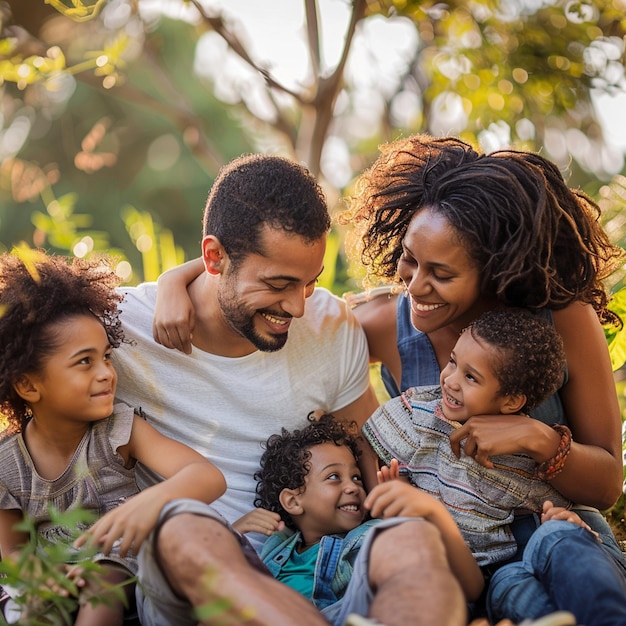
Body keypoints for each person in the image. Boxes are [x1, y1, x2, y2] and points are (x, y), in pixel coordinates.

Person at [111, 153, 472, 626]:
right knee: (182, 527)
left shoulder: (329, 326)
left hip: (321, 575)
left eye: (309, 283)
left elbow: (360, 444)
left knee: (408, 537)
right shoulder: (122, 328)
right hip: (201, 588)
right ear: (215, 257)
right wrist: (173, 279)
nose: (298, 307)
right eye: (279, 284)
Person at [336, 134, 626, 618]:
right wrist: (181, 280)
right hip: (443, 560)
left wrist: (537, 438)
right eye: (410, 259)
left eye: (441, 274)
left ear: (492, 270)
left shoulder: (563, 319)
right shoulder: (390, 323)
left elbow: (607, 483)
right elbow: (283, 314)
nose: (414, 288)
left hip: (557, 545)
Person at [0, 251, 226, 626]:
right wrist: (44, 581)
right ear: (27, 384)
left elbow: (207, 477)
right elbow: (13, 554)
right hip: (55, 581)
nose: (107, 373)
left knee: (101, 577)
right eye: (85, 362)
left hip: (123, 571)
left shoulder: (118, 430)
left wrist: (150, 503)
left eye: (106, 356)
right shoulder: (8, 462)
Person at [363, 308, 626, 625]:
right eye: (452, 362)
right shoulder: (422, 412)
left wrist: (565, 520)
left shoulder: (520, 457)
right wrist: (386, 490)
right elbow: (368, 438)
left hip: (517, 562)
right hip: (479, 577)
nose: (451, 381)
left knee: (552, 539)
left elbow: (560, 513)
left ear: (512, 402)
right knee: (507, 585)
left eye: (471, 377)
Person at [235, 413, 483, 626]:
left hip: (346, 615)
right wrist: (232, 533)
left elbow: (471, 588)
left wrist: (427, 514)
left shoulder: (370, 537)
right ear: (293, 501)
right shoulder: (274, 546)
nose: (353, 487)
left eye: (356, 477)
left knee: (411, 535)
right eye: (333, 476)